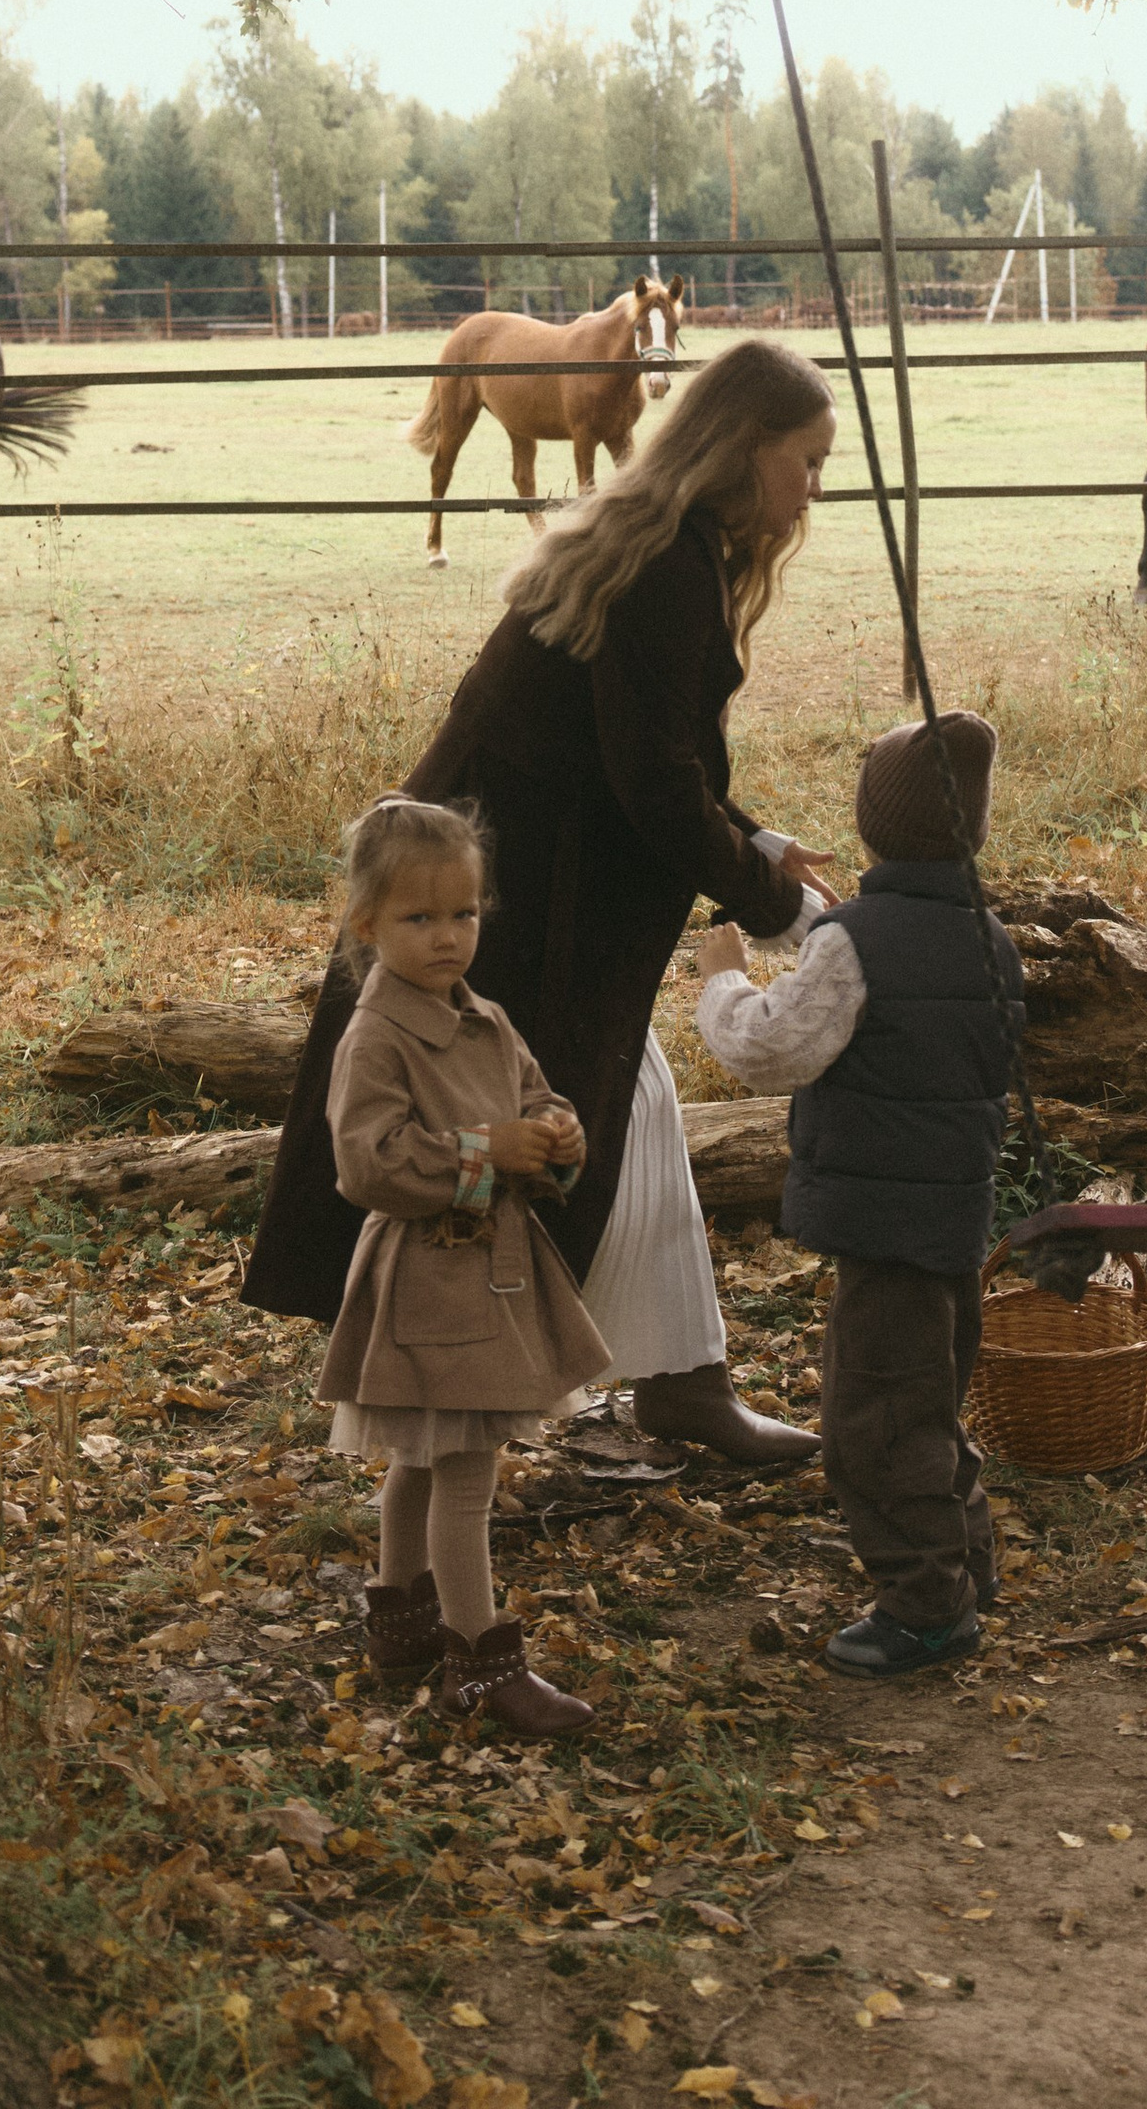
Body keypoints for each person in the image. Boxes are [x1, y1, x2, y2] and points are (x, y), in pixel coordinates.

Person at [247, 337, 839, 1465]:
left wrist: (759, 842)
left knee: (627, 1099)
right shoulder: (665, 565)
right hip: (494, 892)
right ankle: (441, 1401)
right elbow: (650, 779)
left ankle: (679, 1381)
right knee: (496, 1122)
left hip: (520, 865)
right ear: (744, 446)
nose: (814, 487)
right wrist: (769, 903)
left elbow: (655, 749)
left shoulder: (670, 543)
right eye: (805, 460)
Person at [693, 708, 1023, 1677]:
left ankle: (926, 1609)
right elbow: (915, 1011)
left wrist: (723, 983)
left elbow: (772, 1049)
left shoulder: (856, 944)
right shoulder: (988, 936)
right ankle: (965, 1564)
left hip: (883, 1227)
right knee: (928, 1406)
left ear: (874, 823)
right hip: (952, 1216)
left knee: (871, 1426)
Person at [316, 792, 613, 1733]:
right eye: (419, 918)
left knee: (424, 1454)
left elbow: (531, 1093)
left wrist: (557, 1131)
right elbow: (366, 1161)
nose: (447, 937)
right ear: (368, 924)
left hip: (492, 1271)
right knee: (463, 1468)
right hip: (430, 1278)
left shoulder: (484, 1017)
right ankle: (479, 1661)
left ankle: (400, 1616)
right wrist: (483, 1154)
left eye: (464, 914)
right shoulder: (376, 1037)